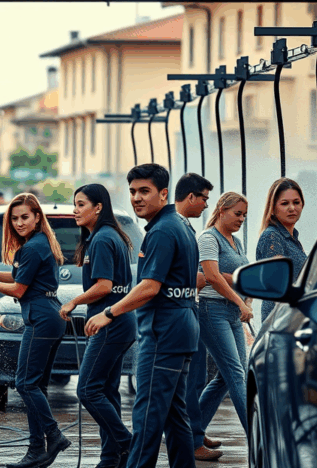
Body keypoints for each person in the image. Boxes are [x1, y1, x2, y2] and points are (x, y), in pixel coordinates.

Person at [85, 163, 199, 468]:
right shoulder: (180, 225)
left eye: (144, 191)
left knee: (147, 417)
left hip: (164, 333)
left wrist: (109, 312)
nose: (137, 198)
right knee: (175, 418)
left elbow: (149, 287)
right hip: (182, 328)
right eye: (133, 191)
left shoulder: (162, 231)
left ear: (163, 194)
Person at [0, 194, 70, 468]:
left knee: (25, 384)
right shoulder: (36, 244)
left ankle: (53, 436)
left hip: (42, 318)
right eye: (15, 218)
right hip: (48, 316)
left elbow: (18, 289)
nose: (19, 223)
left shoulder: (32, 247)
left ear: (37, 217)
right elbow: (19, 277)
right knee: (35, 385)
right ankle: (36, 451)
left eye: (25, 217)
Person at [59, 184, 137, 468]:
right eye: (75, 204)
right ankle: (110, 459)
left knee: (88, 390)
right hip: (120, 322)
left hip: (111, 323)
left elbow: (104, 286)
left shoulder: (103, 240)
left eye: (81, 204)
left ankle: (128, 444)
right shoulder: (108, 236)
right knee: (107, 390)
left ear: (98, 207)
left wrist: (73, 302)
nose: (75, 210)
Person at [172, 173, 223, 461]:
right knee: (189, 384)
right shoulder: (175, 228)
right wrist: (198, 280)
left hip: (191, 310)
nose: (206, 204)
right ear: (190, 196)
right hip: (182, 312)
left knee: (197, 379)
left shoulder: (185, 227)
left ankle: (195, 433)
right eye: (203, 198)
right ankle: (192, 441)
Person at [195, 192, 253, 439]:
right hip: (212, 310)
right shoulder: (209, 239)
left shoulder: (235, 241)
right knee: (236, 373)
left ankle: (191, 432)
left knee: (225, 376)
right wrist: (240, 300)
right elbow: (212, 277)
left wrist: (246, 300)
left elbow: (245, 276)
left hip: (232, 312)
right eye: (237, 213)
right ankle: (257, 434)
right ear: (221, 210)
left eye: (244, 215)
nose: (242, 219)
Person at [256, 178, 308, 324]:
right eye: (285, 203)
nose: (292, 208)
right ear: (272, 208)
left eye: (296, 202)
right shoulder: (272, 236)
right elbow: (277, 285)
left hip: (295, 317)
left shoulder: (293, 238)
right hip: (280, 321)